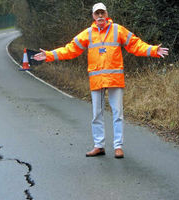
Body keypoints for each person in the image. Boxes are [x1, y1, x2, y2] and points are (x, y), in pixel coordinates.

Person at [34, 2, 169, 158]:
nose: (100, 16)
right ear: (93, 16)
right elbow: (70, 49)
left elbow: (135, 45)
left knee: (117, 113)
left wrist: (153, 50)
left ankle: (118, 147)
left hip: (114, 79)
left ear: (106, 14)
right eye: (97, 14)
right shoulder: (88, 33)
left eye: (102, 13)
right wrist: (49, 55)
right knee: (96, 114)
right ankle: (99, 146)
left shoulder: (118, 30)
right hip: (97, 80)